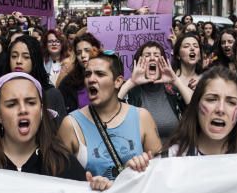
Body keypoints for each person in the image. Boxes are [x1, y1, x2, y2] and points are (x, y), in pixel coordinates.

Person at [57, 50, 162, 179]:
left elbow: (158, 171)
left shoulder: (141, 117)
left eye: (100, 74)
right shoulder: (71, 124)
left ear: (118, 82)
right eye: (88, 74)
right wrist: (90, 183)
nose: (91, 79)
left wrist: (143, 165)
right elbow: (59, 180)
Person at [117, 41, 192, 141]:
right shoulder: (130, 92)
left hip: (174, 154)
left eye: (156, 55)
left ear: (163, 63)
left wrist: (176, 81)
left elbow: (195, 108)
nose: (152, 58)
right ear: (139, 62)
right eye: (147, 55)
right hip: (142, 155)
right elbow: (111, 115)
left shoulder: (173, 91)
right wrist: (131, 82)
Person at [0, 34, 66, 120]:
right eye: (14, 56)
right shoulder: (0, 92)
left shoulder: (51, 94)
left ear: (35, 60)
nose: (18, 61)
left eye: (26, 57)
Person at [57, 33, 101, 112]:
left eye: (87, 50)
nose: (83, 55)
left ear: (96, 51)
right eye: (78, 53)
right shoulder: (68, 82)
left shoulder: (108, 76)